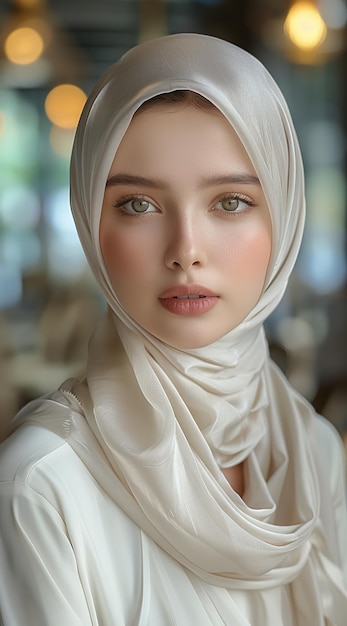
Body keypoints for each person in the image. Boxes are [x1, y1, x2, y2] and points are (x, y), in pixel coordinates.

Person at [0, 33, 346, 626]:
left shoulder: (312, 449)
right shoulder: (40, 486)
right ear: (90, 222)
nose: (186, 251)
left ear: (285, 215)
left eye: (230, 202)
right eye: (138, 204)